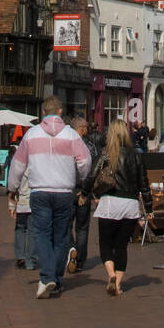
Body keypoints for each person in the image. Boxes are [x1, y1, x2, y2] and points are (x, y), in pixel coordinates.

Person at [6, 96, 91, 299]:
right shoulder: (71, 135)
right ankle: (57, 280)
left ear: (43, 112)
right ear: (60, 112)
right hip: (63, 191)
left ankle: (47, 277)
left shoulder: (31, 134)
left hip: (40, 191)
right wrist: (80, 175)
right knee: (61, 236)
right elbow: (86, 161)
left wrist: (13, 188)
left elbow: (18, 164)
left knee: (42, 234)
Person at [85, 119, 151, 295]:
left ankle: (111, 274)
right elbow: (144, 183)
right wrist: (149, 207)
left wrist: (84, 192)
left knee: (105, 242)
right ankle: (119, 285)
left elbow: (92, 176)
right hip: (130, 204)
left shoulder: (106, 153)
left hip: (109, 202)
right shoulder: (136, 155)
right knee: (122, 245)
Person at [67, 115, 93, 274]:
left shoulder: (65, 144)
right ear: (82, 129)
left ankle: (71, 251)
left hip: (68, 189)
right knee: (82, 228)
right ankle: (81, 260)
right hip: (85, 190)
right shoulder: (89, 145)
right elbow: (92, 170)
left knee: (66, 225)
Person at [10, 168, 37, 269]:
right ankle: (30, 260)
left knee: (20, 229)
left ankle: (20, 256)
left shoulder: (19, 166)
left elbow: (12, 187)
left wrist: (11, 206)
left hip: (21, 201)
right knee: (32, 230)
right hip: (34, 201)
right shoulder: (36, 163)